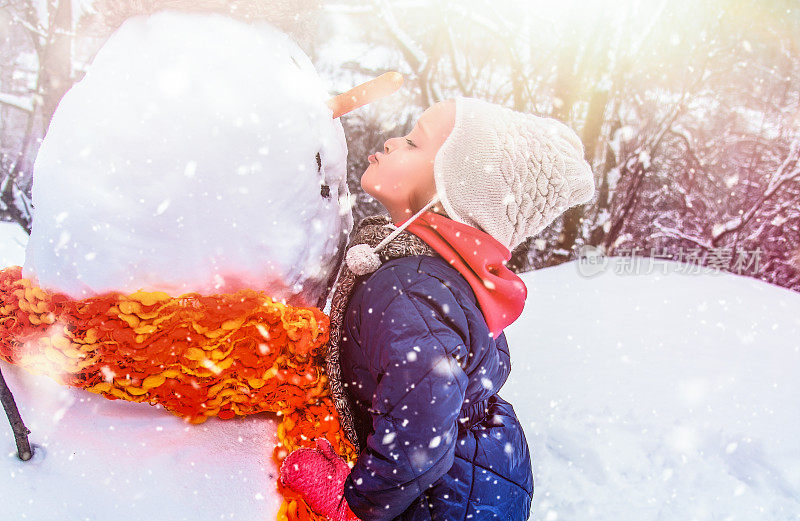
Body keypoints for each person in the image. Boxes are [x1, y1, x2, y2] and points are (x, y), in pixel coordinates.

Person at [280, 96, 596, 520]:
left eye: (413, 142)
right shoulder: (436, 279)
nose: (392, 142)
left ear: (451, 193)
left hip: (441, 504)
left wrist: (351, 504)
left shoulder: (407, 287)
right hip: (475, 482)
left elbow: (419, 433)